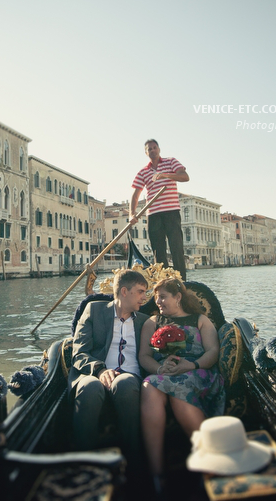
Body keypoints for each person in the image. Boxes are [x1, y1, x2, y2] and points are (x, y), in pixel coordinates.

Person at [139, 278, 225, 488]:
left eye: (162, 297)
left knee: (178, 388)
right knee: (149, 386)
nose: (157, 301)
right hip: (165, 373)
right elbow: (144, 356)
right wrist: (160, 369)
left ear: (178, 297)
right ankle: (157, 474)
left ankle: (210, 464)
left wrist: (192, 365)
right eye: (156, 297)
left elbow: (213, 352)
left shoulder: (201, 320)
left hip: (198, 371)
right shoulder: (152, 322)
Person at [70, 269, 150, 465]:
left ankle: (134, 463)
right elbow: (79, 352)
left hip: (130, 376)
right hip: (93, 373)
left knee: (124, 383)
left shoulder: (145, 321)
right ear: (124, 291)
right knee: (89, 387)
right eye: (140, 291)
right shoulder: (94, 310)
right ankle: (83, 464)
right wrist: (99, 370)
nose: (144, 297)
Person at [130, 139, 189, 279]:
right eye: (149, 149)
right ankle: (163, 282)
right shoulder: (143, 172)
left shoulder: (171, 162)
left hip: (172, 212)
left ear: (159, 149)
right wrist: (132, 213)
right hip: (154, 214)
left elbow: (185, 177)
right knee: (158, 251)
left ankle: (181, 281)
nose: (152, 150)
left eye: (154, 147)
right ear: (146, 153)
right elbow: (135, 195)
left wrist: (165, 175)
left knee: (177, 248)